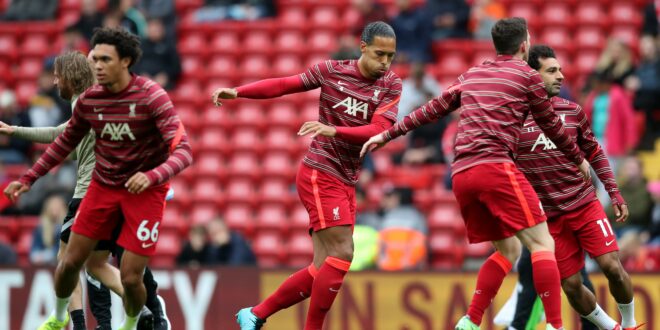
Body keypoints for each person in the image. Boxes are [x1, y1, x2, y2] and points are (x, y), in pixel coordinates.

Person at [361, 17, 590, 330]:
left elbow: (434, 108)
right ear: (524, 45)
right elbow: (551, 124)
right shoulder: (527, 76)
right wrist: (578, 159)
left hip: (462, 174)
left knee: (508, 250)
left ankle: (470, 320)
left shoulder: (473, 73)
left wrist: (388, 134)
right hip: (495, 166)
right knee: (542, 243)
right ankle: (554, 325)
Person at [212, 21, 401, 330]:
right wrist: (239, 92)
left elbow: (380, 130)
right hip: (319, 171)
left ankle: (256, 314)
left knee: (322, 266)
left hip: (346, 178)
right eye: (379, 54)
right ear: (363, 47)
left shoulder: (391, 84)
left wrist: (333, 129)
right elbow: (287, 83)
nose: (385, 62)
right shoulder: (331, 71)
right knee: (343, 252)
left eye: (390, 56)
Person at [3, 27, 192, 330]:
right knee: (79, 263)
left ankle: (126, 318)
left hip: (138, 192)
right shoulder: (91, 101)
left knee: (127, 274)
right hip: (103, 189)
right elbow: (64, 141)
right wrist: (29, 177)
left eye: (105, 59)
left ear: (126, 61)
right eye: (95, 59)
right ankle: (76, 318)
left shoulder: (152, 96)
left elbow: (184, 150)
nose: (98, 66)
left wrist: (152, 175)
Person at [511, 45, 641, 330]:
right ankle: (612, 328)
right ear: (533, 76)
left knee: (612, 269)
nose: (561, 76)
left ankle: (630, 324)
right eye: (552, 70)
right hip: (549, 219)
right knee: (571, 285)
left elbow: (594, 152)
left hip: (584, 205)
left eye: (560, 69)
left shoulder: (572, 111)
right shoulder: (513, 121)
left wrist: (614, 191)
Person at [30, 194, 67, 265]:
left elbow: (61, 249)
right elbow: (34, 249)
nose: (55, 209)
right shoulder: (40, 228)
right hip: (42, 264)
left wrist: (46, 256)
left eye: (57, 207)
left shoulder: (66, 228)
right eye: (53, 207)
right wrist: (37, 256)